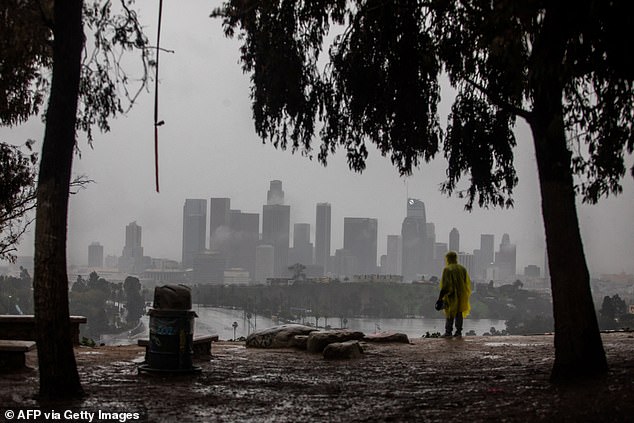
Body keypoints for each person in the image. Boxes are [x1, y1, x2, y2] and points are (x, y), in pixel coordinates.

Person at [437, 251, 472, 337]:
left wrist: (440, 298)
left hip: (451, 295)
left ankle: (448, 332)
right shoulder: (462, 269)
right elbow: (466, 282)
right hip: (461, 294)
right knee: (459, 313)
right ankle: (458, 332)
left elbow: (445, 286)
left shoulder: (447, 269)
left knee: (450, 312)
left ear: (448, 259)